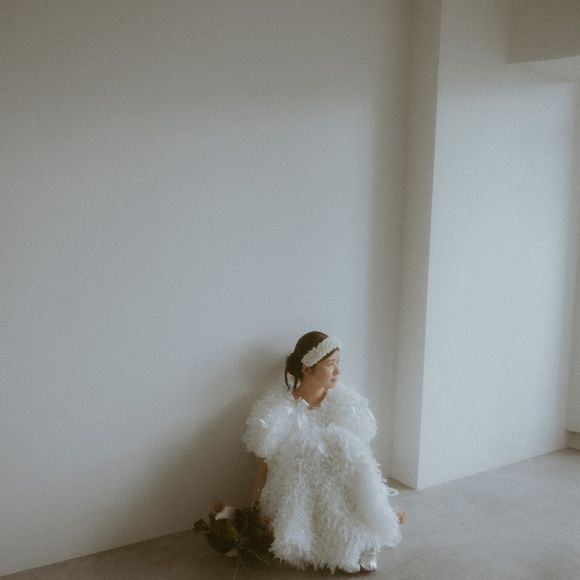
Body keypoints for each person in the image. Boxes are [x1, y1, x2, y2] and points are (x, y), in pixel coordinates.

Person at [242, 331, 404, 573]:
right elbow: (267, 464)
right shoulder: (281, 410)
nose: (337, 371)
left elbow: (359, 460)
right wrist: (256, 507)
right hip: (297, 489)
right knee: (306, 450)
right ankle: (340, 547)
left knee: (341, 442)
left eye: (338, 363)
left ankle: (359, 540)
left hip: (338, 486)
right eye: (330, 364)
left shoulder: (343, 405)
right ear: (307, 369)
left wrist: (381, 501)